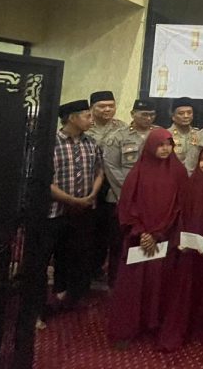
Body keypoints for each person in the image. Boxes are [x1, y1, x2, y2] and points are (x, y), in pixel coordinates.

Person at [107, 128, 187, 347]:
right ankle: (128, 328)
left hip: (165, 239)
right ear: (151, 146)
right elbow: (127, 204)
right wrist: (142, 232)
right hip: (138, 239)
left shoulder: (178, 172)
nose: (165, 149)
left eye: (169, 145)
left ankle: (156, 325)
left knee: (161, 282)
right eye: (160, 145)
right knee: (133, 284)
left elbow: (181, 206)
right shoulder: (138, 172)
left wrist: (158, 233)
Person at [158, 143, 203, 351]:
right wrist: (182, 238)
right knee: (186, 290)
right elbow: (182, 212)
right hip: (190, 250)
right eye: (202, 160)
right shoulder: (192, 183)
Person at [38, 99, 104, 320]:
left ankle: (67, 298)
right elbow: (44, 181)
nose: (91, 120)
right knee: (42, 258)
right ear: (72, 118)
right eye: (87, 115)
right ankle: (37, 308)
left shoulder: (91, 143)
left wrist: (91, 195)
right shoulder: (50, 144)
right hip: (54, 212)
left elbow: (99, 172)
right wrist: (73, 200)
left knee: (75, 256)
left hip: (83, 212)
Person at [102, 99, 158, 286]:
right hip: (121, 198)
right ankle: (115, 282)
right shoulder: (117, 137)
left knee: (145, 241)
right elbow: (111, 167)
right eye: (144, 114)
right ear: (133, 114)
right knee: (118, 243)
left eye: (152, 115)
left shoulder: (159, 134)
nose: (148, 118)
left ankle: (140, 282)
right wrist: (129, 193)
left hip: (150, 200)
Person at [86, 90, 127, 281]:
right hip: (88, 183)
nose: (107, 109)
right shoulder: (84, 126)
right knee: (88, 228)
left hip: (112, 185)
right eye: (102, 106)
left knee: (108, 228)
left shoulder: (123, 128)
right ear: (92, 108)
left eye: (111, 106)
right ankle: (86, 269)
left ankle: (101, 268)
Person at [168, 97, 199, 167]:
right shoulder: (166, 135)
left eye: (189, 113)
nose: (186, 116)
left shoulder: (199, 134)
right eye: (181, 113)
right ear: (173, 116)